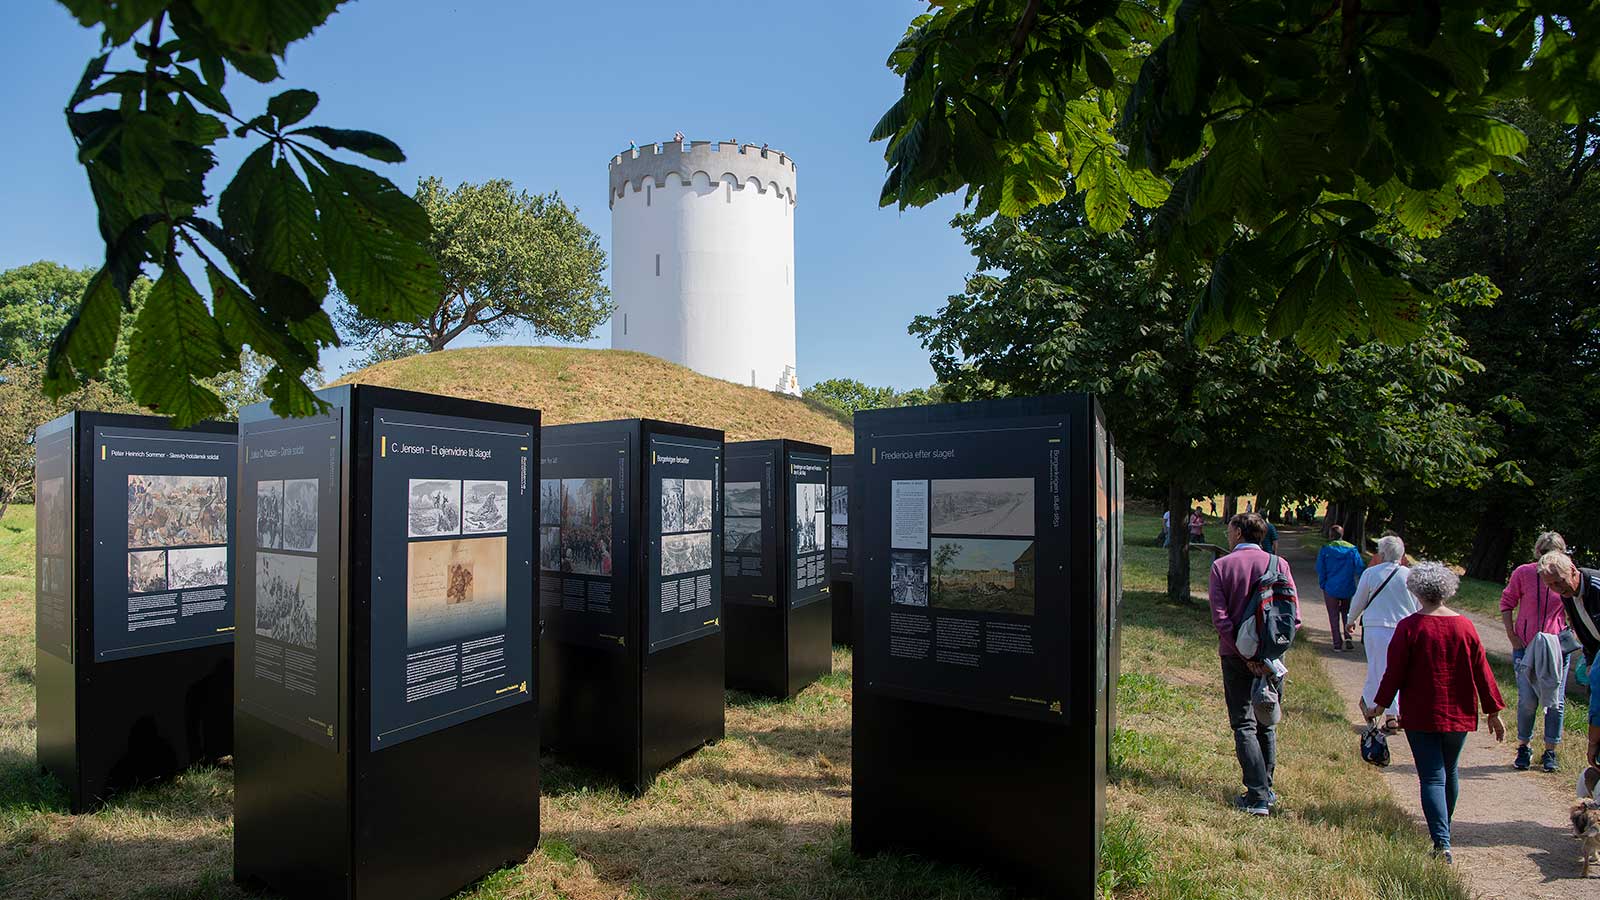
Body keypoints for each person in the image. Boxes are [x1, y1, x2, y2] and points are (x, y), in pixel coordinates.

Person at [1365, 562, 1506, 864]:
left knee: (1431, 777)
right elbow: (1482, 670)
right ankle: (1443, 828)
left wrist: (1379, 704)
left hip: (1420, 713)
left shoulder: (1410, 627)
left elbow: (1394, 673)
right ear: (1447, 590)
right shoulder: (1465, 626)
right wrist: (1492, 710)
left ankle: (1441, 841)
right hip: (1458, 712)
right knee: (1449, 770)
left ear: (1415, 590)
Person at [1208, 513, 1299, 816]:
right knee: (1266, 719)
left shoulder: (1222, 566)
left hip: (1235, 656)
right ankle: (1267, 789)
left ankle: (1256, 795)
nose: (1227, 533)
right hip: (1273, 658)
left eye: (1229, 529)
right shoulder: (1279, 564)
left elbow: (1221, 619)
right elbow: (1292, 617)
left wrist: (1245, 654)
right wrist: (1267, 655)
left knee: (1244, 724)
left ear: (1237, 532)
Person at [1502, 531, 1572, 772]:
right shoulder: (1523, 573)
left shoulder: (1565, 575)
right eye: (1544, 554)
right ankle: (1524, 746)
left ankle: (1551, 751)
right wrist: (1512, 635)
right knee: (1527, 700)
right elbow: (1507, 602)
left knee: (1555, 701)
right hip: (1526, 646)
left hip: (1556, 647)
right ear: (1537, 553)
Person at [1536, 552, 1600, 784]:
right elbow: (1584, 631)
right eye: (1550, 584)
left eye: (1560, 581)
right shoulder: (1567, 595)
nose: (1557, 587)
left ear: (1573, 569)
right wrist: (1592, 661)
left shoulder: (1596, 586)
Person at [1348, 535, 1418, 733]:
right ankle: (1391, 712)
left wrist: (1350, 620)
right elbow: (1419, 604)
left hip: (1376, 628)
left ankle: (1387, 713)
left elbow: (1359, 600)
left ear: (1382, 553)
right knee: (1401, 671)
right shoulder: (1410, 576)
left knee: (1380, 669)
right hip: (1405, 628)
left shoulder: (1371, 574)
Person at [1316, 525, 1365, 652]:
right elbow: (1360, 568)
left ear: (1331, 535)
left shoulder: (1325, 549)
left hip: (1331, 587)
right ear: (1342, 534)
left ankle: (1337, 643)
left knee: (1333, 616)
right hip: (1347, 586)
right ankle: (1348, 637)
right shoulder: (1352, 549)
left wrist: (1323, 584)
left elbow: (1320, 568)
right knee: (1347, 613)